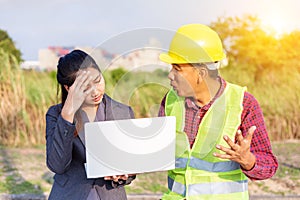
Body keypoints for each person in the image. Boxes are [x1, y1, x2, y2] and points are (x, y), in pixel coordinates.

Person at [158, 24, 278, 199]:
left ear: (201, 72)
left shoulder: (244, 104)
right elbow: (156, 154)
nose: (170, 75)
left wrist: (248, 160)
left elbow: (269, 166)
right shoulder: (170, 101)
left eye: (177, 68)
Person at [46, 49, 136, 200]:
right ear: (69, 89)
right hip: (70, 194)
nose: (95, 92)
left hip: (109, 195)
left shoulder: (123, 112)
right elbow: (57, 165)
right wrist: (68, 114)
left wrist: (124, 175)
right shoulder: (56, 115)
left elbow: (131, 166)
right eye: (85, 87)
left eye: (97, 81)